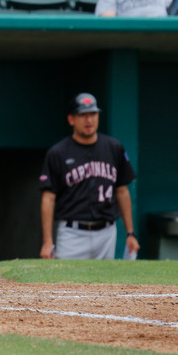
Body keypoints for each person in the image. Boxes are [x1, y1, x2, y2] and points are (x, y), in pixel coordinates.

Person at [39, 93, 139, 260]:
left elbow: (122, 191)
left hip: (107, 232)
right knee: (66, 283)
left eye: (93, 114)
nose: (89, 120)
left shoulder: (114, 147)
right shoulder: (58, 152)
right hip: (72, 233)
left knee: (105, 284)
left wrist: (130, 232)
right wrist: (47, 241)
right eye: (82, 115)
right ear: (71, 120)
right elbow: (48, 198)